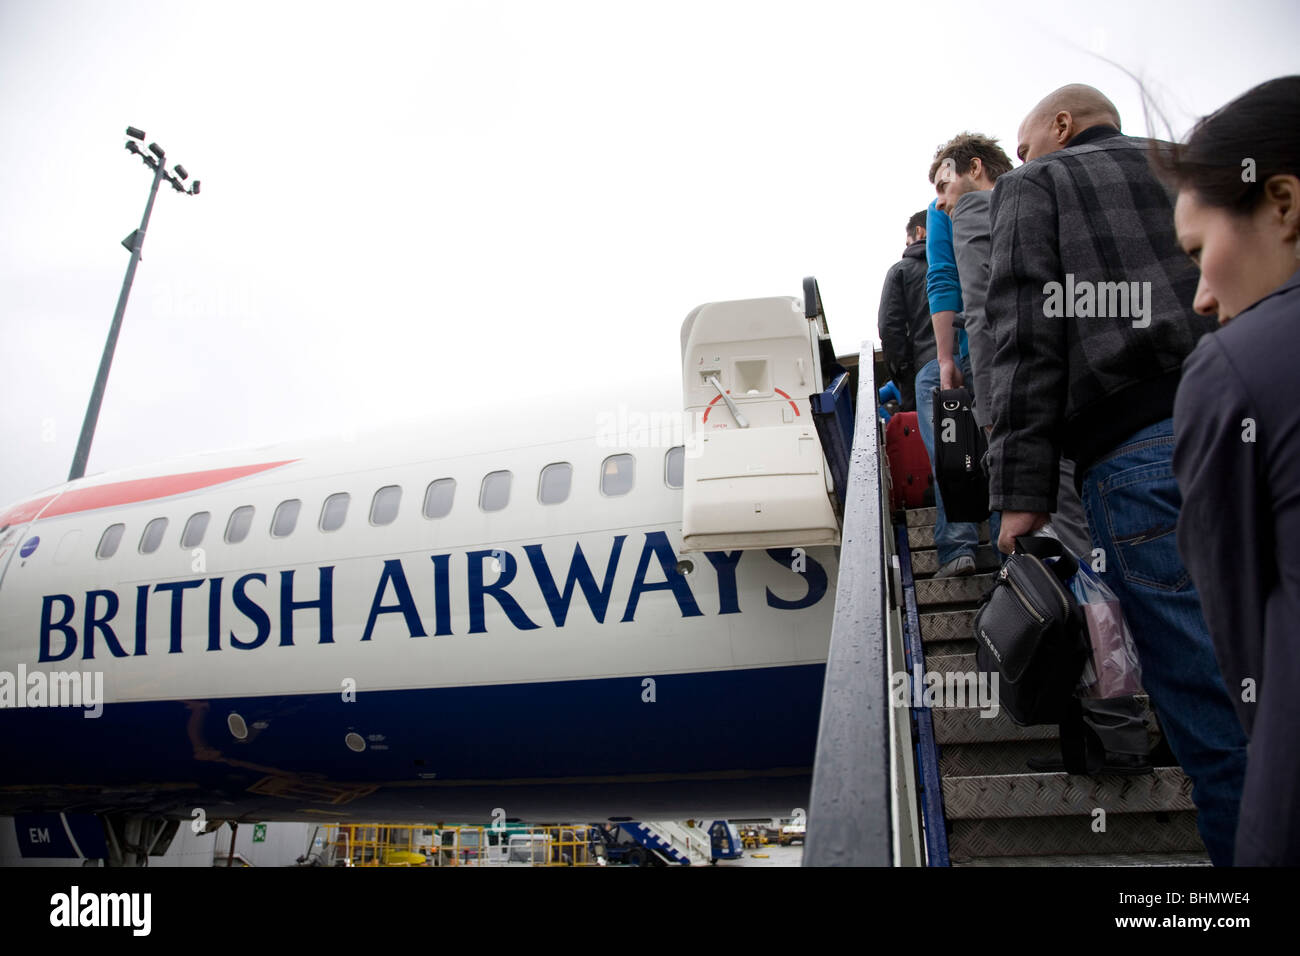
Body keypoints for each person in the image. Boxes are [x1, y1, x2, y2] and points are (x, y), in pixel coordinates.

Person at [984, 83, 1247, 864]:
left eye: (1024, 142)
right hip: (1252, 426)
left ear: (1062, 125)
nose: (1020, 157)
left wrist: (1021, 495)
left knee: (1211, 709)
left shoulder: (1036, 185)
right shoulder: (1192, 173)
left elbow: (1025, 341)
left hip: (1136, 452)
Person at [931, 130, 1150, 773]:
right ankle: (1120, 732)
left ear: (974, 169)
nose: (941, 204)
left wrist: (1000, 432)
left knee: (1080, 582)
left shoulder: (986, 209)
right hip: (1099, 418)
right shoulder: (1072, 202)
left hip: (1035, 426)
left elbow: (992, 323)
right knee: (1105, 580)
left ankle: (1114, 738)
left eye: (944, 185)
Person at [1163, 75, 1300, 866]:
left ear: (1281, 203)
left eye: (1198, 255)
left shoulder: (1235, 372)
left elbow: (1247, 652)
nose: (1204, 299)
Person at [914, 199, 979, 576]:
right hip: (1013, 347)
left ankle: (957, 546)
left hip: (962, 349)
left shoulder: (941, 212)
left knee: (953, 448)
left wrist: (943, 359)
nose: (942, 194)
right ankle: (1017, 560)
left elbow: (942, 279)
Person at [877, 211, 934, 413]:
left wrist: (902, 374)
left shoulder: (901, 271)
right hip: (975, 364)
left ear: (919, 232)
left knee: (940, 442)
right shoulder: (964, 257)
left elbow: (889, 329)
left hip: (926, 368)